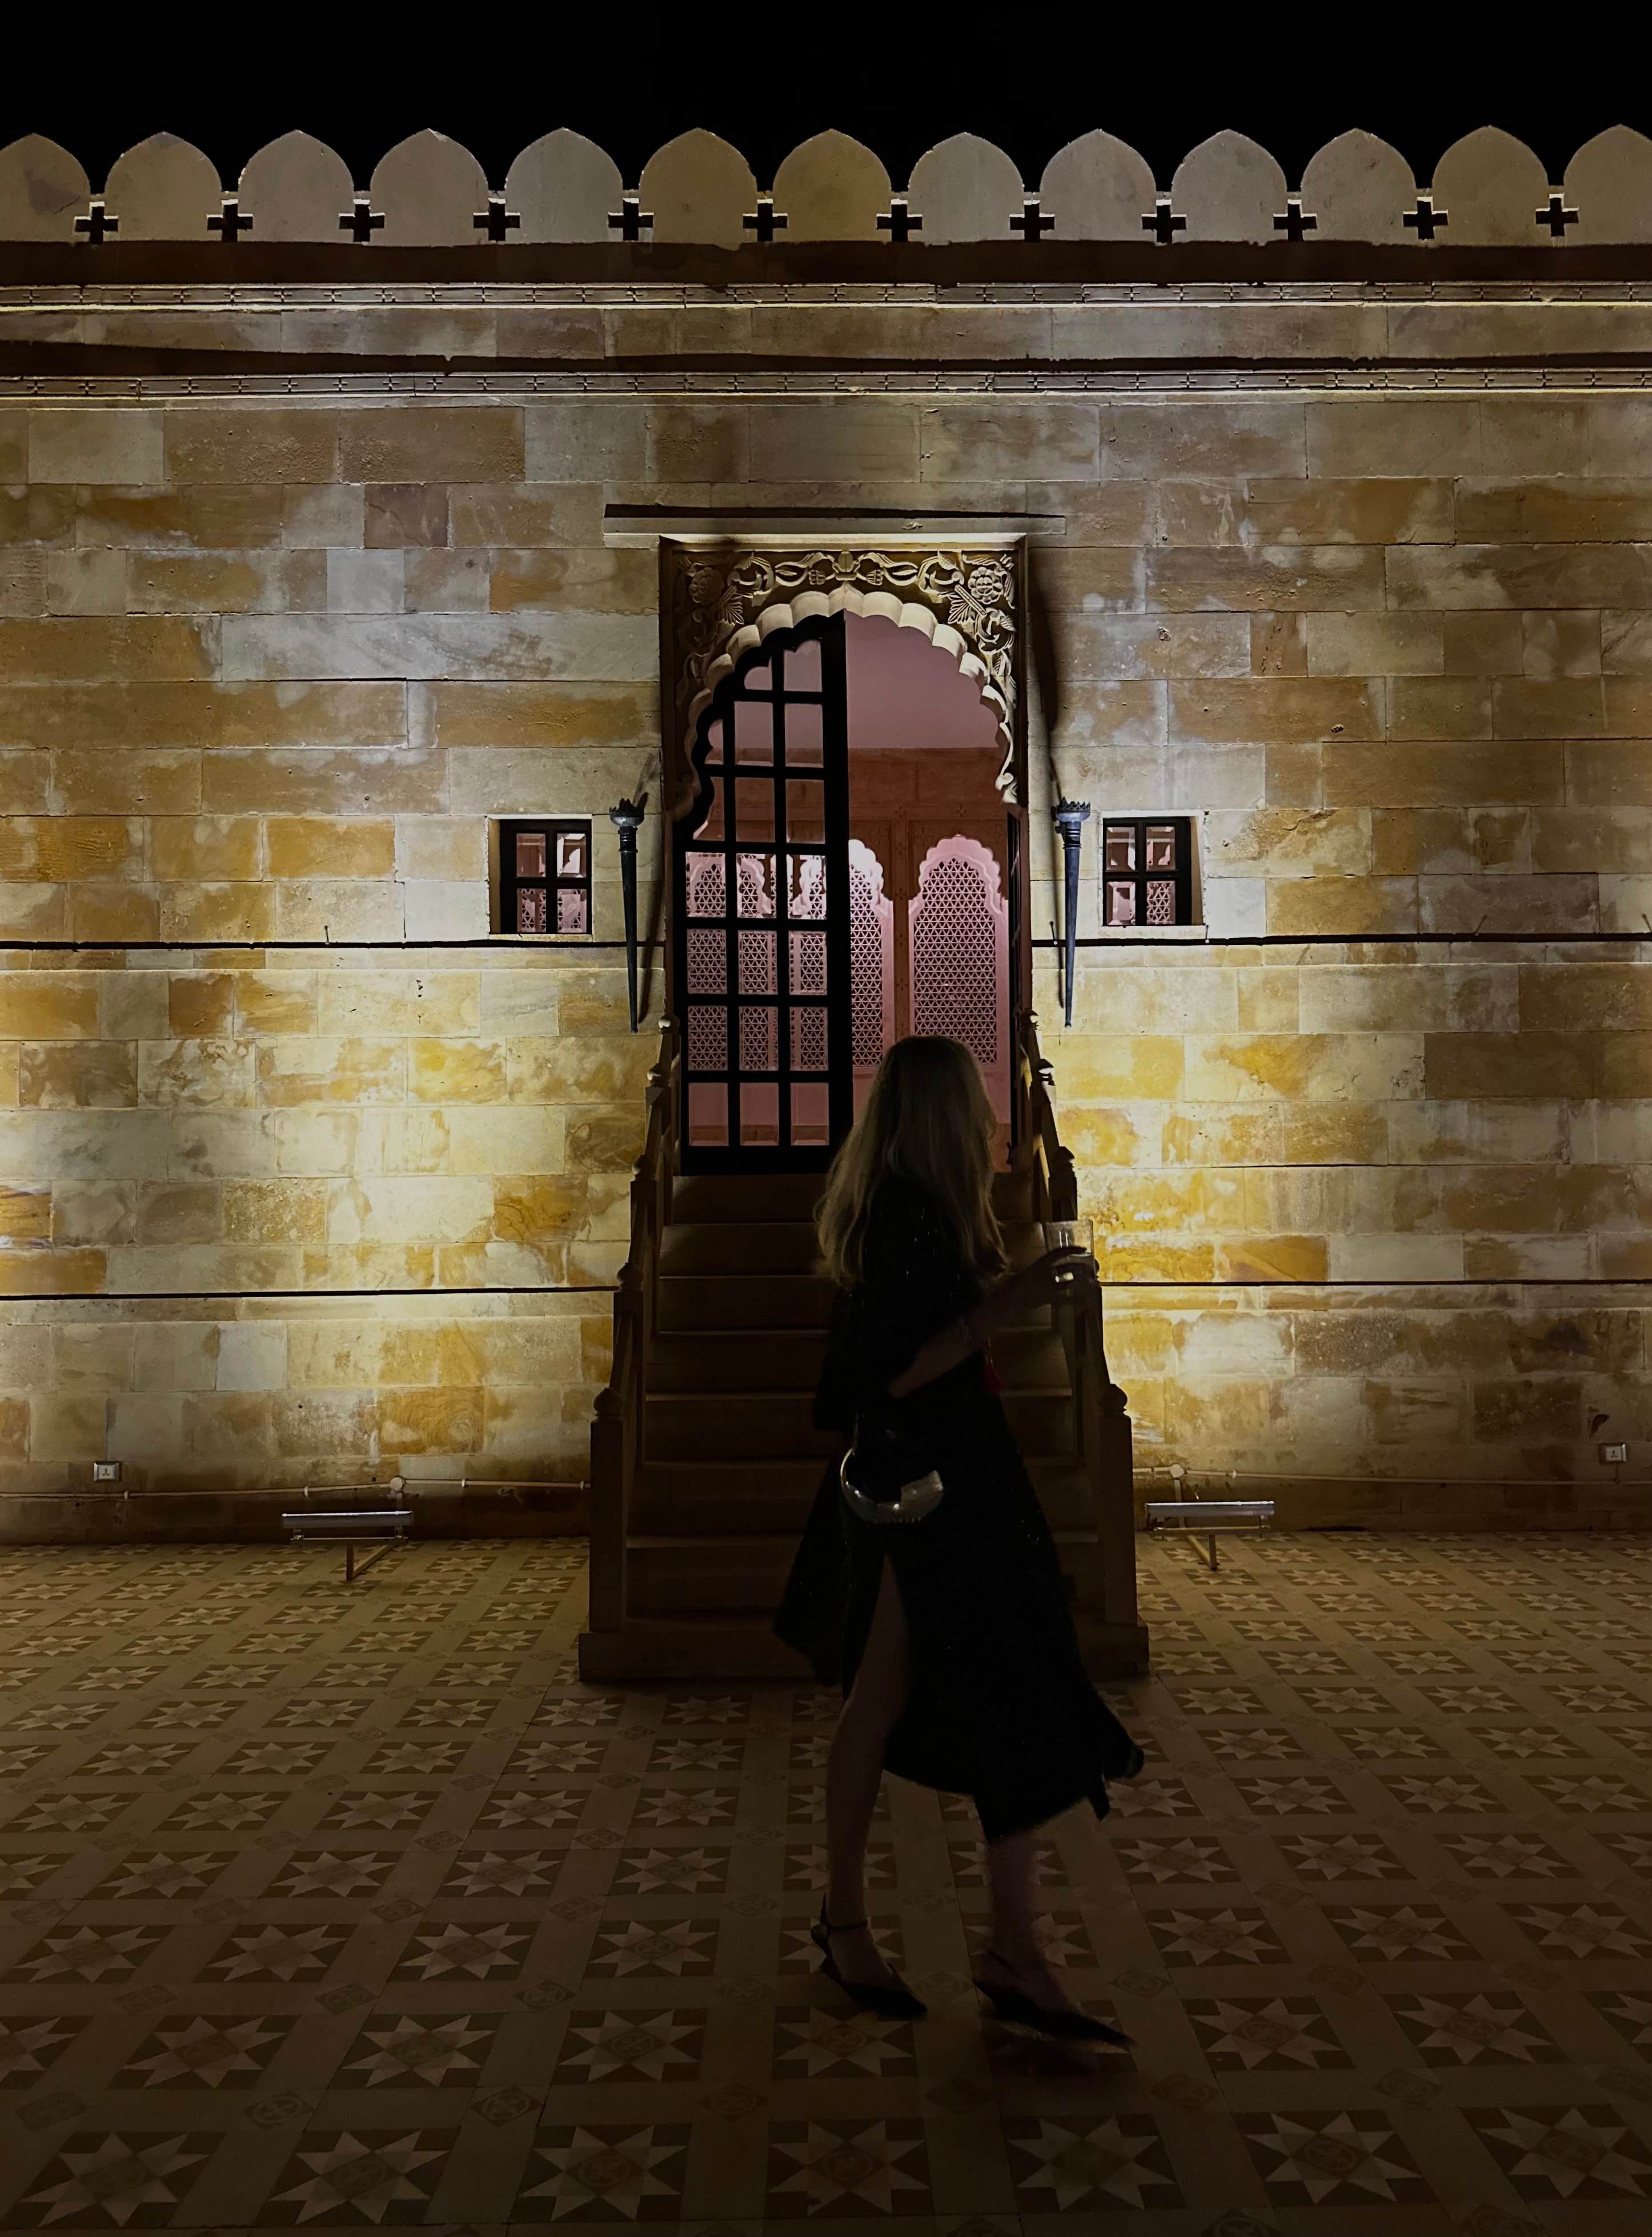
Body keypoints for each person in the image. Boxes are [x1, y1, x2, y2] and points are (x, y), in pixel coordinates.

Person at [775, 1034, 1143, 2043]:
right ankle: (871, 1924)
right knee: (900, 1702)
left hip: (949, 1484)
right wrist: (1012, 1305)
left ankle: (1009, 1944)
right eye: (974, 1107)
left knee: (993, 1695)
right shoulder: (906, 1215)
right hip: (926, 1495)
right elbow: (891, 1371)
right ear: (940, 1116)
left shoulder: (916, 1210)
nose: (990, 1121)